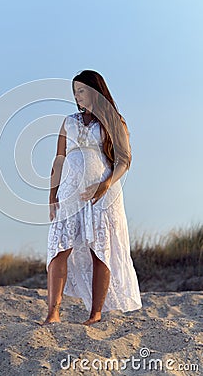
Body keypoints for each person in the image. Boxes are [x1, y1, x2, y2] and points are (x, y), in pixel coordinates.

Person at [42, 69, 142, 326]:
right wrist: (53, 194)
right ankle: (53, 312)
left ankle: (95, 313)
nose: (77, 96)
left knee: (101, 249)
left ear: (96, 91)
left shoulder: (114, 121)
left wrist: (105, 184)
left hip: (102, 196)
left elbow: (124, 160)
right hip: (70, 193)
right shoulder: (68, 121)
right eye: (75, 92)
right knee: (58, 248)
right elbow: (59, 159)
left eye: (82, 90)